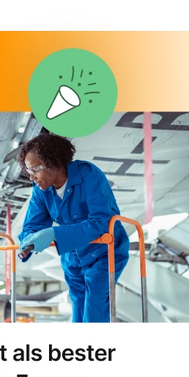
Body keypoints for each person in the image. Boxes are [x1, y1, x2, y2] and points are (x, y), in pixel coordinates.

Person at [16, 131, 129, 323]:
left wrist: (54, 233)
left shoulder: (89, 175)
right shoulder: (41, 191)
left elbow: (101, 222)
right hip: (73, 257)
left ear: (53, 162)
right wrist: (28, 240)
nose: (32, 177)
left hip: (104, 253)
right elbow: (32, 224)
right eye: (29, 171)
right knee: (77, 307)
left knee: (94, 308)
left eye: (36, 169)